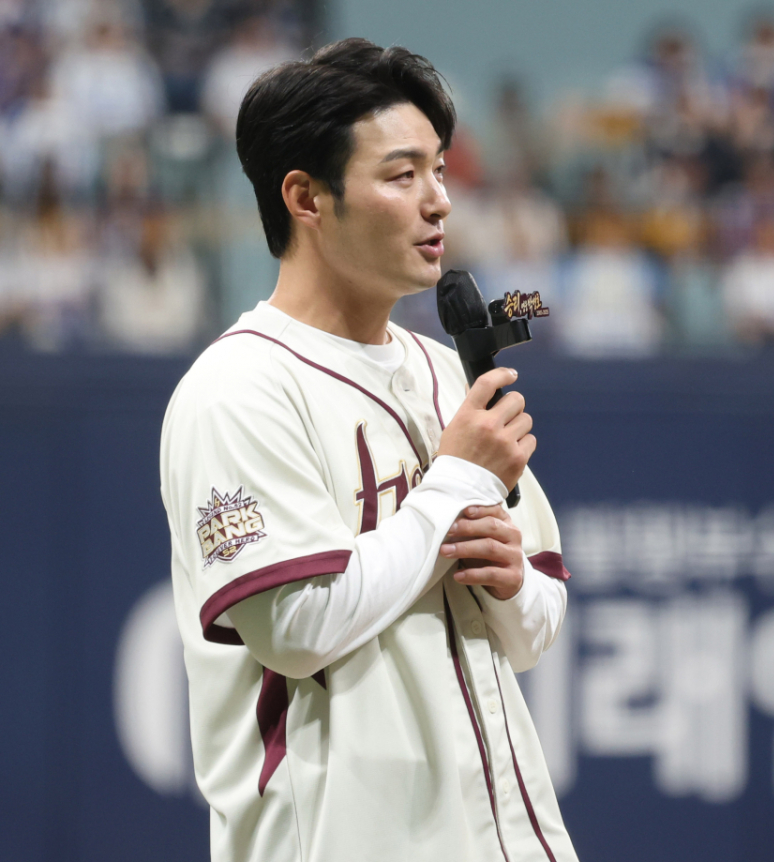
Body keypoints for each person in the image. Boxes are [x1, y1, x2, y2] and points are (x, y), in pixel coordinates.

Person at [159, 38, 578, 862]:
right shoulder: (238, 387)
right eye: (401, 175)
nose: (440, 202)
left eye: (440, 171)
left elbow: (537, 630)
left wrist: (510, 582)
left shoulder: (444, 372)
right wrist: (455, 484)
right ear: (306, 197)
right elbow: (296, 627)